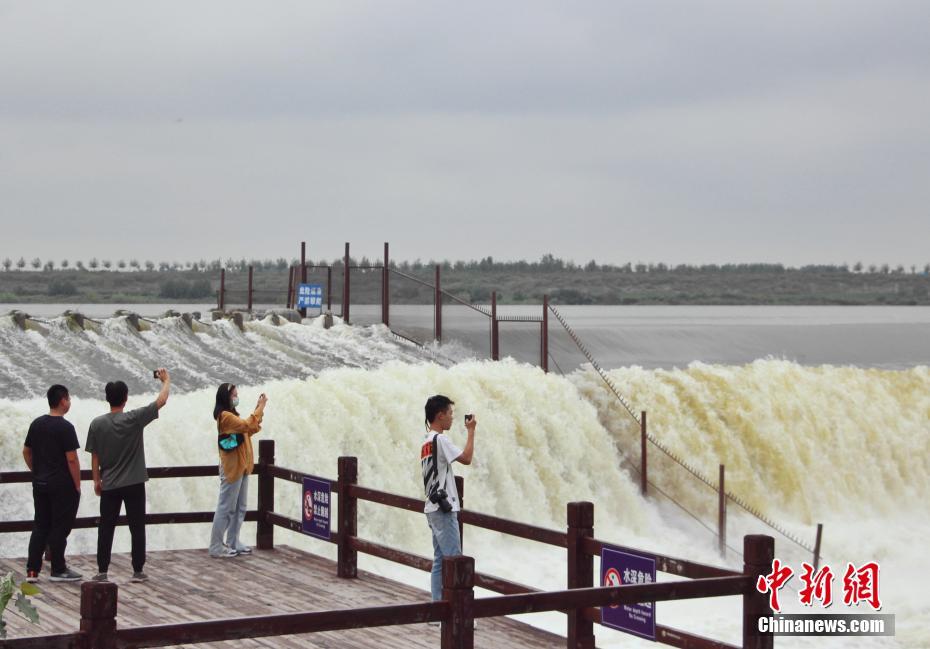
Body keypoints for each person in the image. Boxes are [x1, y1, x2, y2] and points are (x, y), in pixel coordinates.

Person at [85, 369, 170, 583]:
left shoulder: (97, 424)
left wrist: (96, 480)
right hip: (134, 482)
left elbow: (95, 456)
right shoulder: (134, 419)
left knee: (106, 528)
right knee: (137, 527)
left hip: (110, 483)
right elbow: (161, 401)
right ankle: (137, 570)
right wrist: (166, 381)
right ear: (126, 398)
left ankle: (102, 570)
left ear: (107, 398)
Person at [22, 384, 83, 583]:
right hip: (62, 485)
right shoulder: (66, 428)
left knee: (40, 525)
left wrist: (36, 471)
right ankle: (58, 569)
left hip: (40, 483)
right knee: (60, 526)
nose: (70, 402)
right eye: (69, 399)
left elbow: (26, 451)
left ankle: (32, 571)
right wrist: (77, 485)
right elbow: (72, 459)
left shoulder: (37, 424)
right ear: (63, 401)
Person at [420, 395, 476, 603]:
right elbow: (467, 458)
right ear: (440, 415)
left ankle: (438, 606)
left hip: (432, 507)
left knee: (439, 561)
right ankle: (456, 610)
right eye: (450, 413)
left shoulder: (426, 442)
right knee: (454, 559)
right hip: (443, 509)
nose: (452, 418)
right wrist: (471, 431)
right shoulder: (440, 440)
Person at [209, 383, 267, 558]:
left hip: (242, 466)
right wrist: (260, 407)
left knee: (240, 507)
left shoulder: (233, 416)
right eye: (234, 395)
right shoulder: (225, 416)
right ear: (226, 397)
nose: (236, 397)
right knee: (226, 507)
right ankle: (216, 546)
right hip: (232, 468)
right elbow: (247, 425)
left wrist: (258, 410)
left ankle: (233, 541)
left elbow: (250, 428)